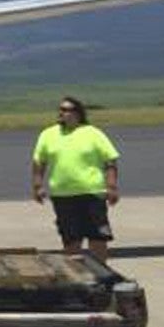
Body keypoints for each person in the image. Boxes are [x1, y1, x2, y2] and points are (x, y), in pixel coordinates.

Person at [31, 96, 121, 260]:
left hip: (92, 193)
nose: (61, 113)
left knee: (97, 237)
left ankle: (102, 275)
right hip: (62, 196)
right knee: (71, 239)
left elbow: (110, 161)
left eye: (66, 110)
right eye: (60, 109)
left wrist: (112, 187)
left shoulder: (93, 133)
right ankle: (78, 276)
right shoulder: (48, 134)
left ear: (77, 113)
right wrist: (38, 186)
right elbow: (39, 162)